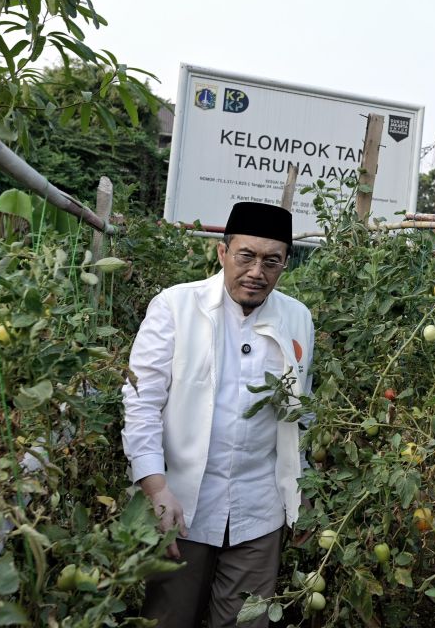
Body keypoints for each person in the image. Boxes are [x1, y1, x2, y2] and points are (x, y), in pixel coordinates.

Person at [122, 201, 314, 628]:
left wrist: (300, 496)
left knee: (247, 623)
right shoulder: (176, 307)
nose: (256, 272)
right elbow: (141, 402)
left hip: (259, 508)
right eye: (246, 255)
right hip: (182, 505)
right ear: (222, 252)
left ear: (285, 264)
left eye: (271, 261)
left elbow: (301, 416)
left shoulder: (297, 318)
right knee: (168, 617)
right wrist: (156, 489)